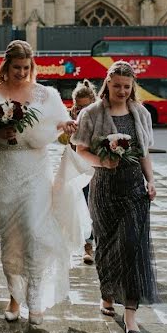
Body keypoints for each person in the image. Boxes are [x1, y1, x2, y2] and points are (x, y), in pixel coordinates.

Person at [0, 40, 84, 325]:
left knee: (34, 231)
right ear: (6, 65)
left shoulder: (45, 95)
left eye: (26, 67)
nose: (21, 72)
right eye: (16, 67)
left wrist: (67, 128)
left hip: (36, 170)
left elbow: (62, 132)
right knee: (12, 238)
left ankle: (36, 298)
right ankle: (14, 297)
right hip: (3, 170)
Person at [73, 60, 160, 333]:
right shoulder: (91, 113)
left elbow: (145, 152)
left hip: (135, 188)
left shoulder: (141, 113)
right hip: (104, 189)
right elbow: (80, 149)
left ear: (132, 86)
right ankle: (107, 295)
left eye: (127, 86)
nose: (122, 91)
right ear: (107, 83)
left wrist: (151, 180)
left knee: (133, 247)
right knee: (108, 247)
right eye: (117, 86)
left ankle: (131, 313)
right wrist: (103, 162)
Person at [70, 80, 98, 265]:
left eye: (86, 107)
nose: (82, 112)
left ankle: (94, 246)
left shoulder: (100, 117)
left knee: (94, 208)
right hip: (77, 169)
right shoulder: (70, 119)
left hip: (96, 168)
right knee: (81, 208)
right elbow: (68, 145)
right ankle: (86, 246)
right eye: (79, 108)